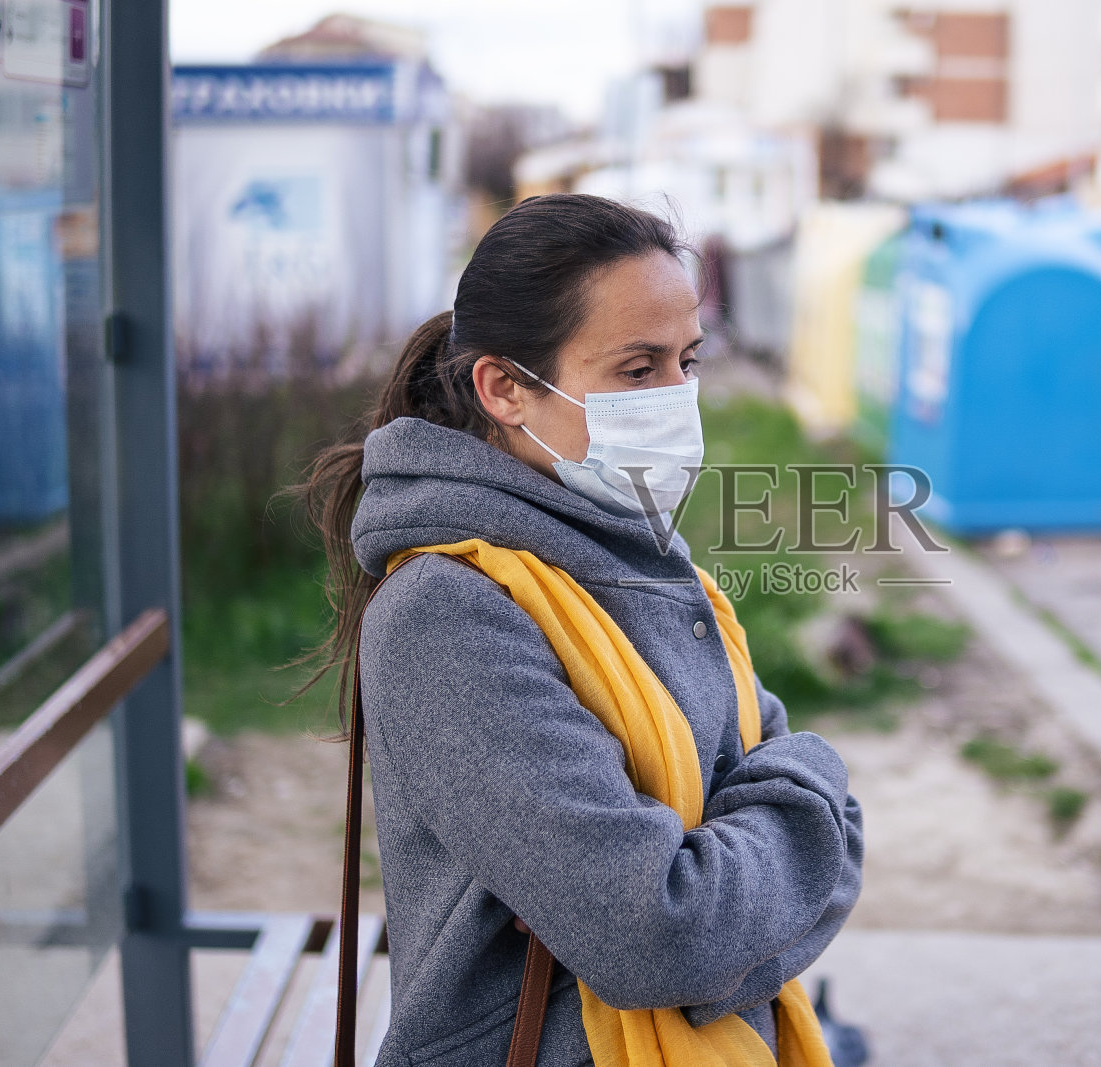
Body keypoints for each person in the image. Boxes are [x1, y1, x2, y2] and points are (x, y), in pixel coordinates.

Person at [302, 194, 863, 1067]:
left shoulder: (646, 558)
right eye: (638, 370)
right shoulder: (446, 612)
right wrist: (812, 801)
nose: (679, 397)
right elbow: (658, 935)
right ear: (506, 387)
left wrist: (746, 834)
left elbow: (749, 837)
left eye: (688, 360)